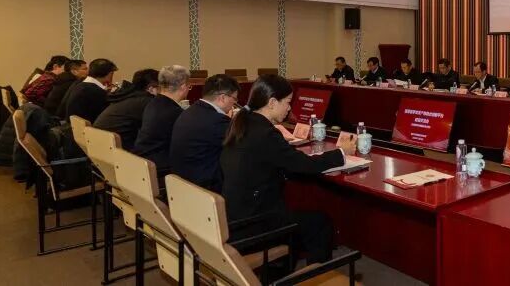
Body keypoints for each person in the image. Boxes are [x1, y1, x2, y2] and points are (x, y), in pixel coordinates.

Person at [221, 75, 355, 263]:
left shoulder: (244, 123)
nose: (290, 108)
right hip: (255, 221)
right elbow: (304, 164)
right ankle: (317, 276)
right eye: (288, 102)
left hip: (237, 215)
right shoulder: (265, 133)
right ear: (272, 102)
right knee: (320, 223)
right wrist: (341, 152)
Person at [169, 74, 238, 192]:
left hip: (182, 182)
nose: (234, 103)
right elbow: (243, 143)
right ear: (223, 98)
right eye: (234, 99)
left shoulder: (190, 111)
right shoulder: (217, 121)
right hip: (204, 188)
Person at [134, 65, 190, 175]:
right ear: (183, 87)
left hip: (142, 161)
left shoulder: (153, 103)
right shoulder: (174, 112)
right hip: (158, 168)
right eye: (189, 86)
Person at [94, 69, 159, 150]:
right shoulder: (144, 101)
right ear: (151, 88)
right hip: (116, 149)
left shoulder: (129, 96)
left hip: (100, 145)